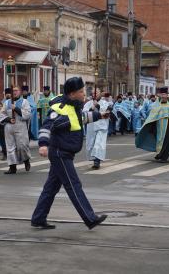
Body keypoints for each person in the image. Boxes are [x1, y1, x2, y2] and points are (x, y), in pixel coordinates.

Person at [31, 77, 109, 230]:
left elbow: (80, 119)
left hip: (64, 153)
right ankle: (90, 218)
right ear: (72, 94)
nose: (84, 94)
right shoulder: (59, 108)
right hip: (60, 153)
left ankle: (38, 218)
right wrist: (42, 144)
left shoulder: (73, 107)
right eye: (81, 92)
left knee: (51, 188)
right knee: (74, 185)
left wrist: (100, 115)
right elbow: (46, 126)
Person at [0, 86, 32, 174]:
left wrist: (16, 109)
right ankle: (12, 167)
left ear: (20, 92)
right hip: (9, 126)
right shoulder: (6, 102)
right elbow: (2, 114)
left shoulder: (24, 102)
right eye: (13, 91)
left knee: (22, 146)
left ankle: (26, 160)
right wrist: (9, 119)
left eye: (16, 90)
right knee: (10, 148)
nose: (14, 92)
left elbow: (28, 114)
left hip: (20, 125)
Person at [83, 89, 109, 169]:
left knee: (99, 143)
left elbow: (107, 113)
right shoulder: (88, 104)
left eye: (96, 93)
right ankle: (94, 159)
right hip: (91, 127)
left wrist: (98, 106)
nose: (94, 94)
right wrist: (92, 108)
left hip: (101, 127)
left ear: (99, 94)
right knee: (92, 143)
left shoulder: (105, 103)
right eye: (93, 93)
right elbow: (84, 115)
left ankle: (97, 161)